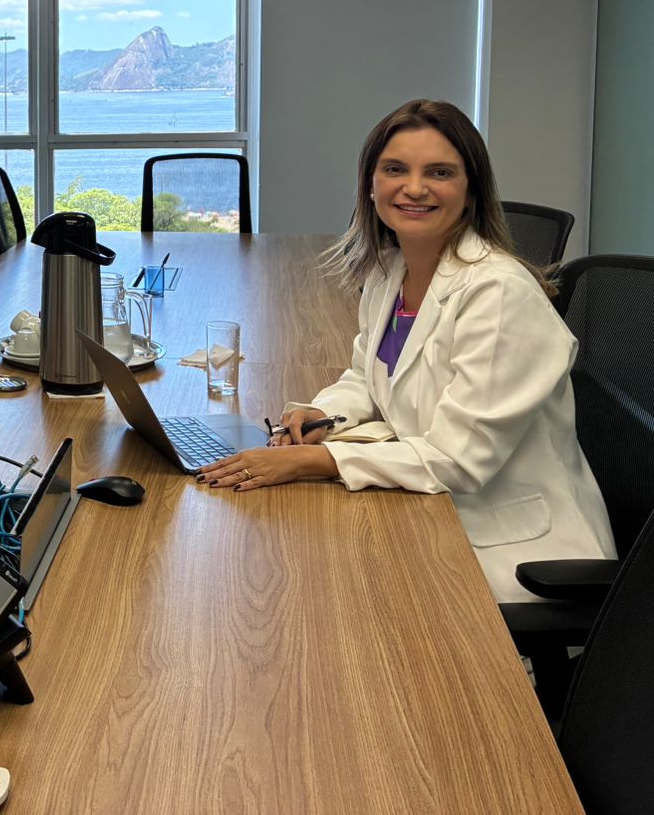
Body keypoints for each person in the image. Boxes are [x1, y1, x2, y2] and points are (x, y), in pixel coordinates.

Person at [197, 99, 612, 604]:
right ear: (371, 186)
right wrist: (322, 414)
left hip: (514, 554)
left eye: (439, 172)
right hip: (427, 514)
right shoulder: (390, 272)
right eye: (395, 169)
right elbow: (367, 375)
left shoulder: (499, 294)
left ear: (471, 191)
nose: (414, 188)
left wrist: (316, 461)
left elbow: (458, 460)